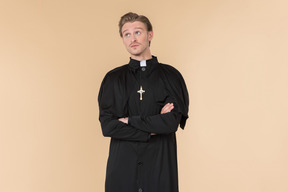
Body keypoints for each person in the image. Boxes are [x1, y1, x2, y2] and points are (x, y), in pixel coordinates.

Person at [98, 12, 189, 192]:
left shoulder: (171, 77)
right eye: (127, 34)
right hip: (123, 170)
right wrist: (153, 128)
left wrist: (129, 121)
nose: (133, 38)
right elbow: (108, 127)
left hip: (160, 169)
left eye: (138, 32)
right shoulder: (113, 79)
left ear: (150, 35)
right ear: (123, 39)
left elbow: (170, 123)